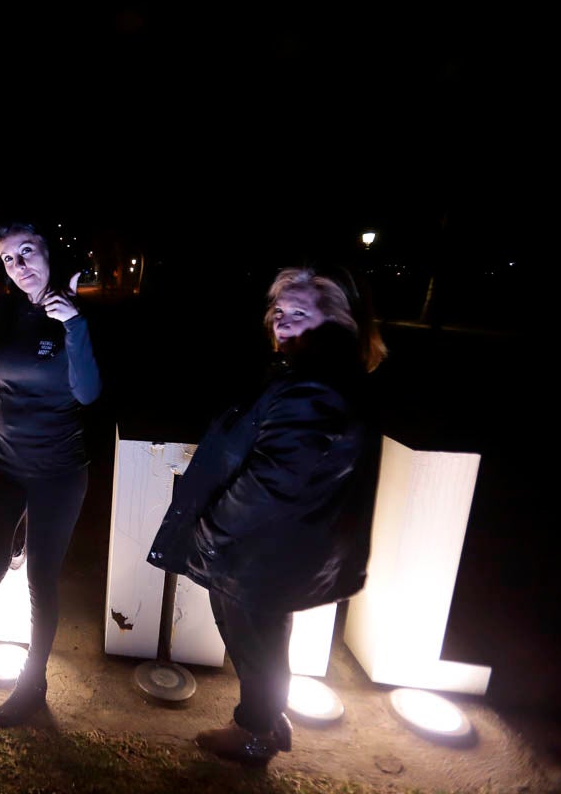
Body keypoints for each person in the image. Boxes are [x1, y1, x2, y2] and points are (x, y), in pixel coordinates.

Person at [146, 265, 387, 765]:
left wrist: (212, 530)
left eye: (299, 311)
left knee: (255, 644)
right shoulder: (313, 373)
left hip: (258, 551)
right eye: (279, 309)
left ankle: (254, 733)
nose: (282, 319)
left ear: (337, 319)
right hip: (273, 549)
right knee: (264, 642)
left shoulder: (314, 385)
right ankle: (266, 718)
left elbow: (274, 480)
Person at [0, 220, 102, 727]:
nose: (19, 266)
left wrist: (74, 324)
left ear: (49, 253)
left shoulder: (74, 313)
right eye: (9, 259)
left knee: (42, 580)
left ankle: (33, 684)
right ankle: (17, 538)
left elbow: (88, 393)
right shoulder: (3, 309)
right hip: (5, 461)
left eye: (28, 252)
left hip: (59, 470)